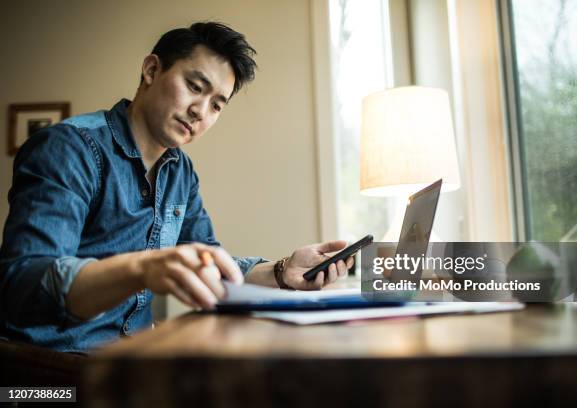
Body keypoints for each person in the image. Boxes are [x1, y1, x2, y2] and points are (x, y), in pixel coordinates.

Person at [0, 21, 353, 352]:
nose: (201, 111)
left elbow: (210, 263)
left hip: (132, 362)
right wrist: (141, 268)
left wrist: (283, 271)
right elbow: (23, 287)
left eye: (217, 105)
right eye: (194, 87)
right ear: (152, 70)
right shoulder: (69, 148)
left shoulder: (180, 171)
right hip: (51, 370)